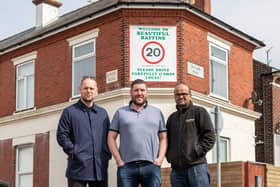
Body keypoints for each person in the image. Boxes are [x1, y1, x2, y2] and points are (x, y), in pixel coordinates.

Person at [107, 79, 167, 187]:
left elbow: (163, 137)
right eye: (136, 90)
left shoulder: (156, 112)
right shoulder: (120, 113)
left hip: (151, 166)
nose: (139, 93)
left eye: (142, 90)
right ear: (131, 92)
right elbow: (111, 137)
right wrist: (119, 160)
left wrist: (160, 159)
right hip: (126, 167)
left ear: (146, 92)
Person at [56, 76, 111, 187]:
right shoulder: (69, 112)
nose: (88, 91)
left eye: (91, 88)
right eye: (85, 88)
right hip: (77, 168)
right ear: (80, 89)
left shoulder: (103, 113)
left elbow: (108, 137)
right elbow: (62, 135)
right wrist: (74, 152)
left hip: (100, 168)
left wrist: (106, 154)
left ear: (96, 91)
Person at [166, 83, 216, 187]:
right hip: (177, 171)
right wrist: (170, 156)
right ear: (174, 96)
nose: (181, 96)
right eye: (177, 94)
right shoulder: (172, 118)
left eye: (184, 93)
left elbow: (210, 137)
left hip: (196, 167)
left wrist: (196, 151)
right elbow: (167, 141)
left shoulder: (199, 112)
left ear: (190, 95)